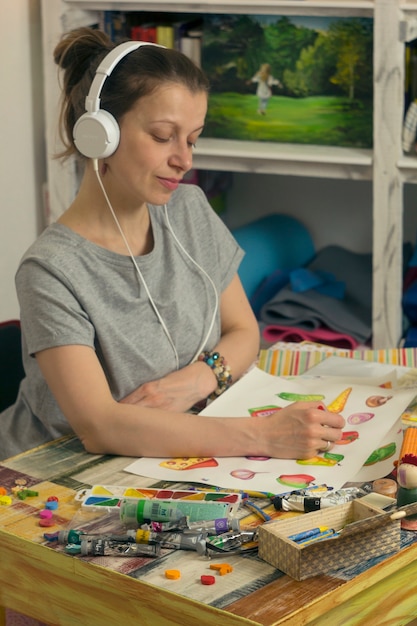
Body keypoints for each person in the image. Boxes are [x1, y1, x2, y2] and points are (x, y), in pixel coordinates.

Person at [0, 27, 344, 462]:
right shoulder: (50, 270)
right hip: (53, 475)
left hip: (162, 455)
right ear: (99, 134)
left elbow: (244, 332)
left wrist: (200, 378)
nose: (185, 159)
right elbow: (100, 427)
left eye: (192, 138)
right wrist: (265, 437)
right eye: (164, 136)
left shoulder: (189, 209)